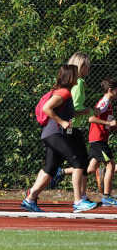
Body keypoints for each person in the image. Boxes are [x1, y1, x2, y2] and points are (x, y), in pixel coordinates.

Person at [22, 64, 98, 213]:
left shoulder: (64, 92)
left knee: (50, 169)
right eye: (76, 74)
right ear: (71, 77)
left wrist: (86, 111)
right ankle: (78, 202)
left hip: (52, 134)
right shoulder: (63, 93)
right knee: (78, 162)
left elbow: (68, 112)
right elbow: (47, 108)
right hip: (54, 134)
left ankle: (30, 200)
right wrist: (62, 122)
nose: (79, 76)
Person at [55, 52, 93, 190]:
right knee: (80, 163)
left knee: (82, 162)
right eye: (87, 66)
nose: (88, 69)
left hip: (71, 126)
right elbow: (74, 108)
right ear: (80, 66)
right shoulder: (79, 83)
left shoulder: (75, 83)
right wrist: (88, 111)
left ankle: (82, 196)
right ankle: (80, 197)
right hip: (71, 127)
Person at [86, 78, 117, 206]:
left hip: (99, 138)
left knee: (90, 169)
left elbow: (104, 121)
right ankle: (106, 197)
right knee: (111, 165)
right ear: (110, 90)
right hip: (98, 139)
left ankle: (60, 172)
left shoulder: (108, 103)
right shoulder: (104, 102)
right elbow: (91, 118)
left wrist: (111, 126)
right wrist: (109, 123)